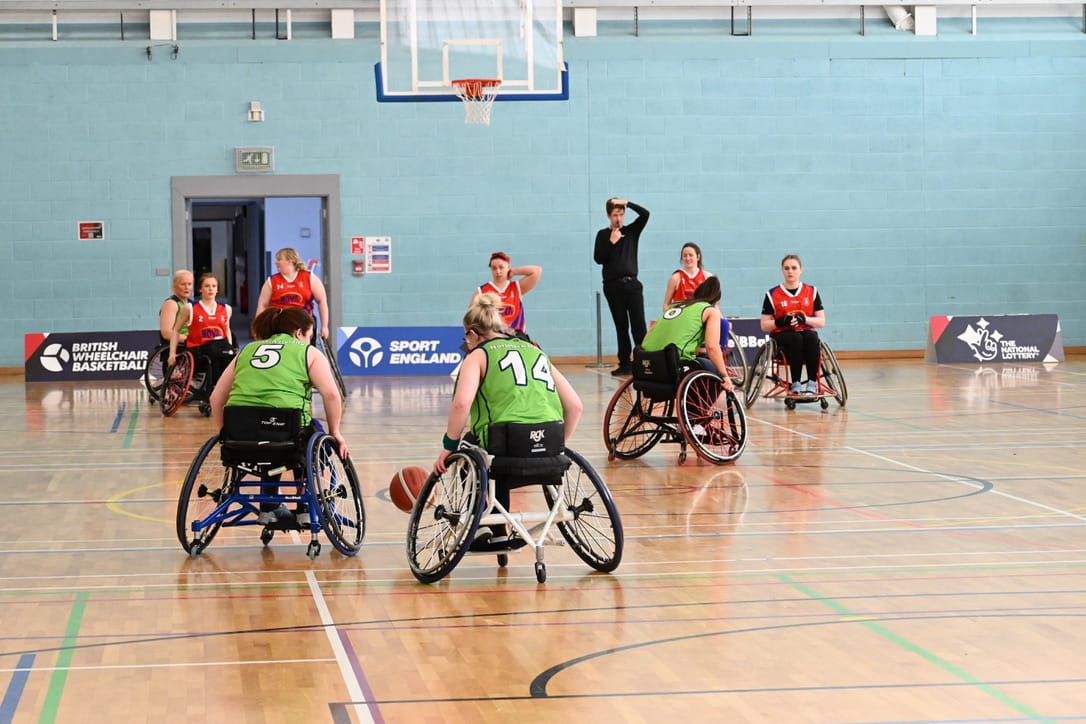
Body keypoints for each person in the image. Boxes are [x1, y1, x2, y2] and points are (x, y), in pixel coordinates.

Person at [435, 292, 583, 550]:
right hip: (548, 443)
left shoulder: (478, 355)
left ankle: (484, 526)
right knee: (494, 448)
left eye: (465, 338)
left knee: (471, 447)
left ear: (472, 333)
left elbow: (461, 404)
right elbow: (575, 406)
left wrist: (449, 445)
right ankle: (499, 529)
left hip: (505, 446)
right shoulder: (535, 350)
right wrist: (557, 446)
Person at [209, 307, 348, 524]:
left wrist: (224, 434)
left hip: (239, 433)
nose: (309, 341)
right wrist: (336, 432)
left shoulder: (246, 350)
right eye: (309, 336)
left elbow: (216, 399)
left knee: (268, 439)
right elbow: (331, 395)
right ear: (299, 333)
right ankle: (304, 508)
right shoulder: (308, 353)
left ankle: (268, 507)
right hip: (286, 433)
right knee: (310, 435)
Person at [640, 277, 735, 393]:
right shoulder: (710, 311)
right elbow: (712, 347)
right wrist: (724, 375)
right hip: (671, 364)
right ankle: (699, 411)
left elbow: (648, 336)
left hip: (645, 361)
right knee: (715, 372)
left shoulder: (674, 305)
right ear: (716, 301)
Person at [593, 197, 650, 377]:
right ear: (609, 216)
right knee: (621, 325)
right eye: (615, 215)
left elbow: (645, 214)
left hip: (632, 284)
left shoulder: (632, 231)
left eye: (621, 214)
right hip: (612, 286)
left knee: (638, 324)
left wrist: (628, 202)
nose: (618, 218)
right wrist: (611, 242)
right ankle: (625, 363)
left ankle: (644, 361)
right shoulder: (603, 235)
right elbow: (598, 259)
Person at [760, 254, 826, 395]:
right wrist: (780, 321)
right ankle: (795, 383)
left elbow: (821, 322)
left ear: (801, 270)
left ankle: (812, 383)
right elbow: (764, 325)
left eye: (794, 268)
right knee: (795, 338)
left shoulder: (812, 291)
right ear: (782, 270)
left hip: (805, 330)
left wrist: (805, 319)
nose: (790, 271)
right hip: (782, 335)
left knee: (811, 337)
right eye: (787, 268)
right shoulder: (772, 294)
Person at [168, 273, 235, 392]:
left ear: (217, 289)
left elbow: (227, 330)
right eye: (207, 286)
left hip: (219, 348)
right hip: (198, 351)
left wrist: (229, 347)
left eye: (214, 286)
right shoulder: (190, 308)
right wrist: (172, 353)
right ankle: (214, 390)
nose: (211, 289)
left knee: (229, 354)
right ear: (200, 289)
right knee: (214, 352)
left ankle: (228, 390)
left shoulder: (226, 309)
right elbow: (176, 330)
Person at [255, 247, 331, 341]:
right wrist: (258, 327)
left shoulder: (309, 277)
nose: (276, 262)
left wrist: (324, 326)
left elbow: (322, 301)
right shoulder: (272, 281)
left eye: (279, 259)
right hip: (279, 323)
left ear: (289, 261)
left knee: (304, 351)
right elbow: (262, 304)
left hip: (303, 322)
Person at [477, 252, 542, 334]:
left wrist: (514, 271)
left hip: (516, 336)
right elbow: (471, 318)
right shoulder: (482, 290)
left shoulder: (516, 287)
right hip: (493, 337)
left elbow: (537, 271)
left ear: (508, 267)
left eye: (501, 267)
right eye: (494, 268)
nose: (498, 271)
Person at [662, 243, 713, 311]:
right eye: (685, 256)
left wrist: (723, 320)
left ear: (698, 257)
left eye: (690, 255)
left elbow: (714, 305)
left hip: (701, 318)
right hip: (681, 318)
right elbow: (666, 304)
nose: (687, 258)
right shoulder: (675, 278)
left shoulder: (708, 277)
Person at [159, 269, 193, 346]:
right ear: (174, 286)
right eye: (183, 284)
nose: (187, 287)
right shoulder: (171, 304)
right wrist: (189, 339)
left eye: (189, 284)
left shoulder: (192, 304)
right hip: (179, 346)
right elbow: (167, 333)